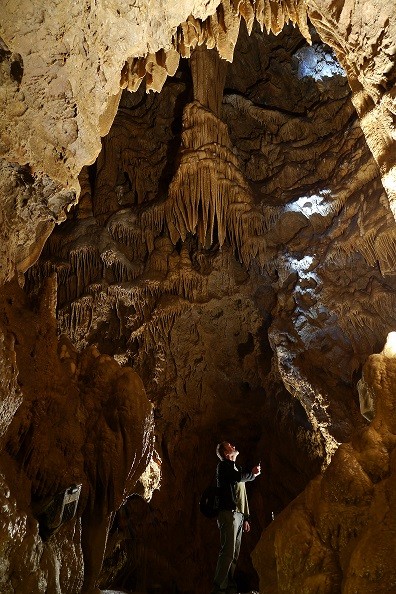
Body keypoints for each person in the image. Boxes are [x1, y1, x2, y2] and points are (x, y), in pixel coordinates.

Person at [211, 441, 261, 594]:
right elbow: (239, 477)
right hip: (228, 513)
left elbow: (242, 496)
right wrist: (252, 474)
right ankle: (219, 588)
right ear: (226, 454)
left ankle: (229, 587)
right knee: (228, 550)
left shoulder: (237, 468)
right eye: (229, 445)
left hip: (238, 515)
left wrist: (246, 518)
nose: (233, 445)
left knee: (235, 553)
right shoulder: (223, 467)